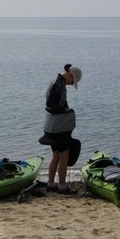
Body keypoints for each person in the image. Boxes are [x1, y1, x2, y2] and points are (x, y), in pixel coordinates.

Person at [39, 63, 82, 194]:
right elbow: (52, 104)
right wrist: (65, 110)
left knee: (56, 155)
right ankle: (62, 187)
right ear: (70, 75)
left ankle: (51, 185)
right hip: (58, 128)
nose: (71, 84)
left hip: (50, 126)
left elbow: (53, 104)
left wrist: (65, 109)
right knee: (64, 156)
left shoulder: (55, 81)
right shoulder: (59, 84)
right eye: (72, 81)